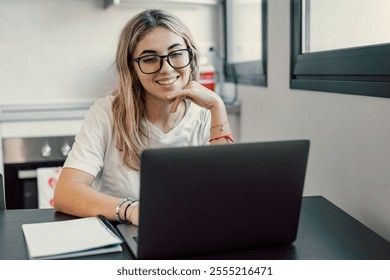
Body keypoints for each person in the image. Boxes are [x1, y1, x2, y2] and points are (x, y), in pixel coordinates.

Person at [53, 9, 233, 226]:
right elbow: (66, 193)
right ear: (132, 67)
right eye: (150, 59)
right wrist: (131, 210)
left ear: (191, 55)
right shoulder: (105, 113)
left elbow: (227, 194)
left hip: (190, 233)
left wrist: (217, 106)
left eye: (176, 54)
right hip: (125, 239)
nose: (166, 68)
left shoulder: (205, 114)